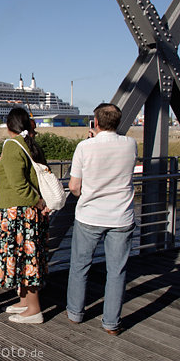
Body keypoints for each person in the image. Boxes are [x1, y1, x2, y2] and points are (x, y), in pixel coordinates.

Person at [66, 103, 137, 336]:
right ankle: (111, 324)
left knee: (80, 266)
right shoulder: (130, 144)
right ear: (118, 122)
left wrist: (90, 141)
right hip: (121, 216)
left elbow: (74, 187)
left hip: (90, 215)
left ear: (95, 123)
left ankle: (76, 313)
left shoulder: (84, 147)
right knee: (116, 271)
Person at [0, 107, 49, 324]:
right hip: (25, 213)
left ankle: (34, 309)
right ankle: (25, 301)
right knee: (26, 257)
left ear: (9, 126)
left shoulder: (13, 146)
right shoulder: (29, 145)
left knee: (26, 259)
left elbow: (18, 184)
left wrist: (36, 201)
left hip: (18, 213)